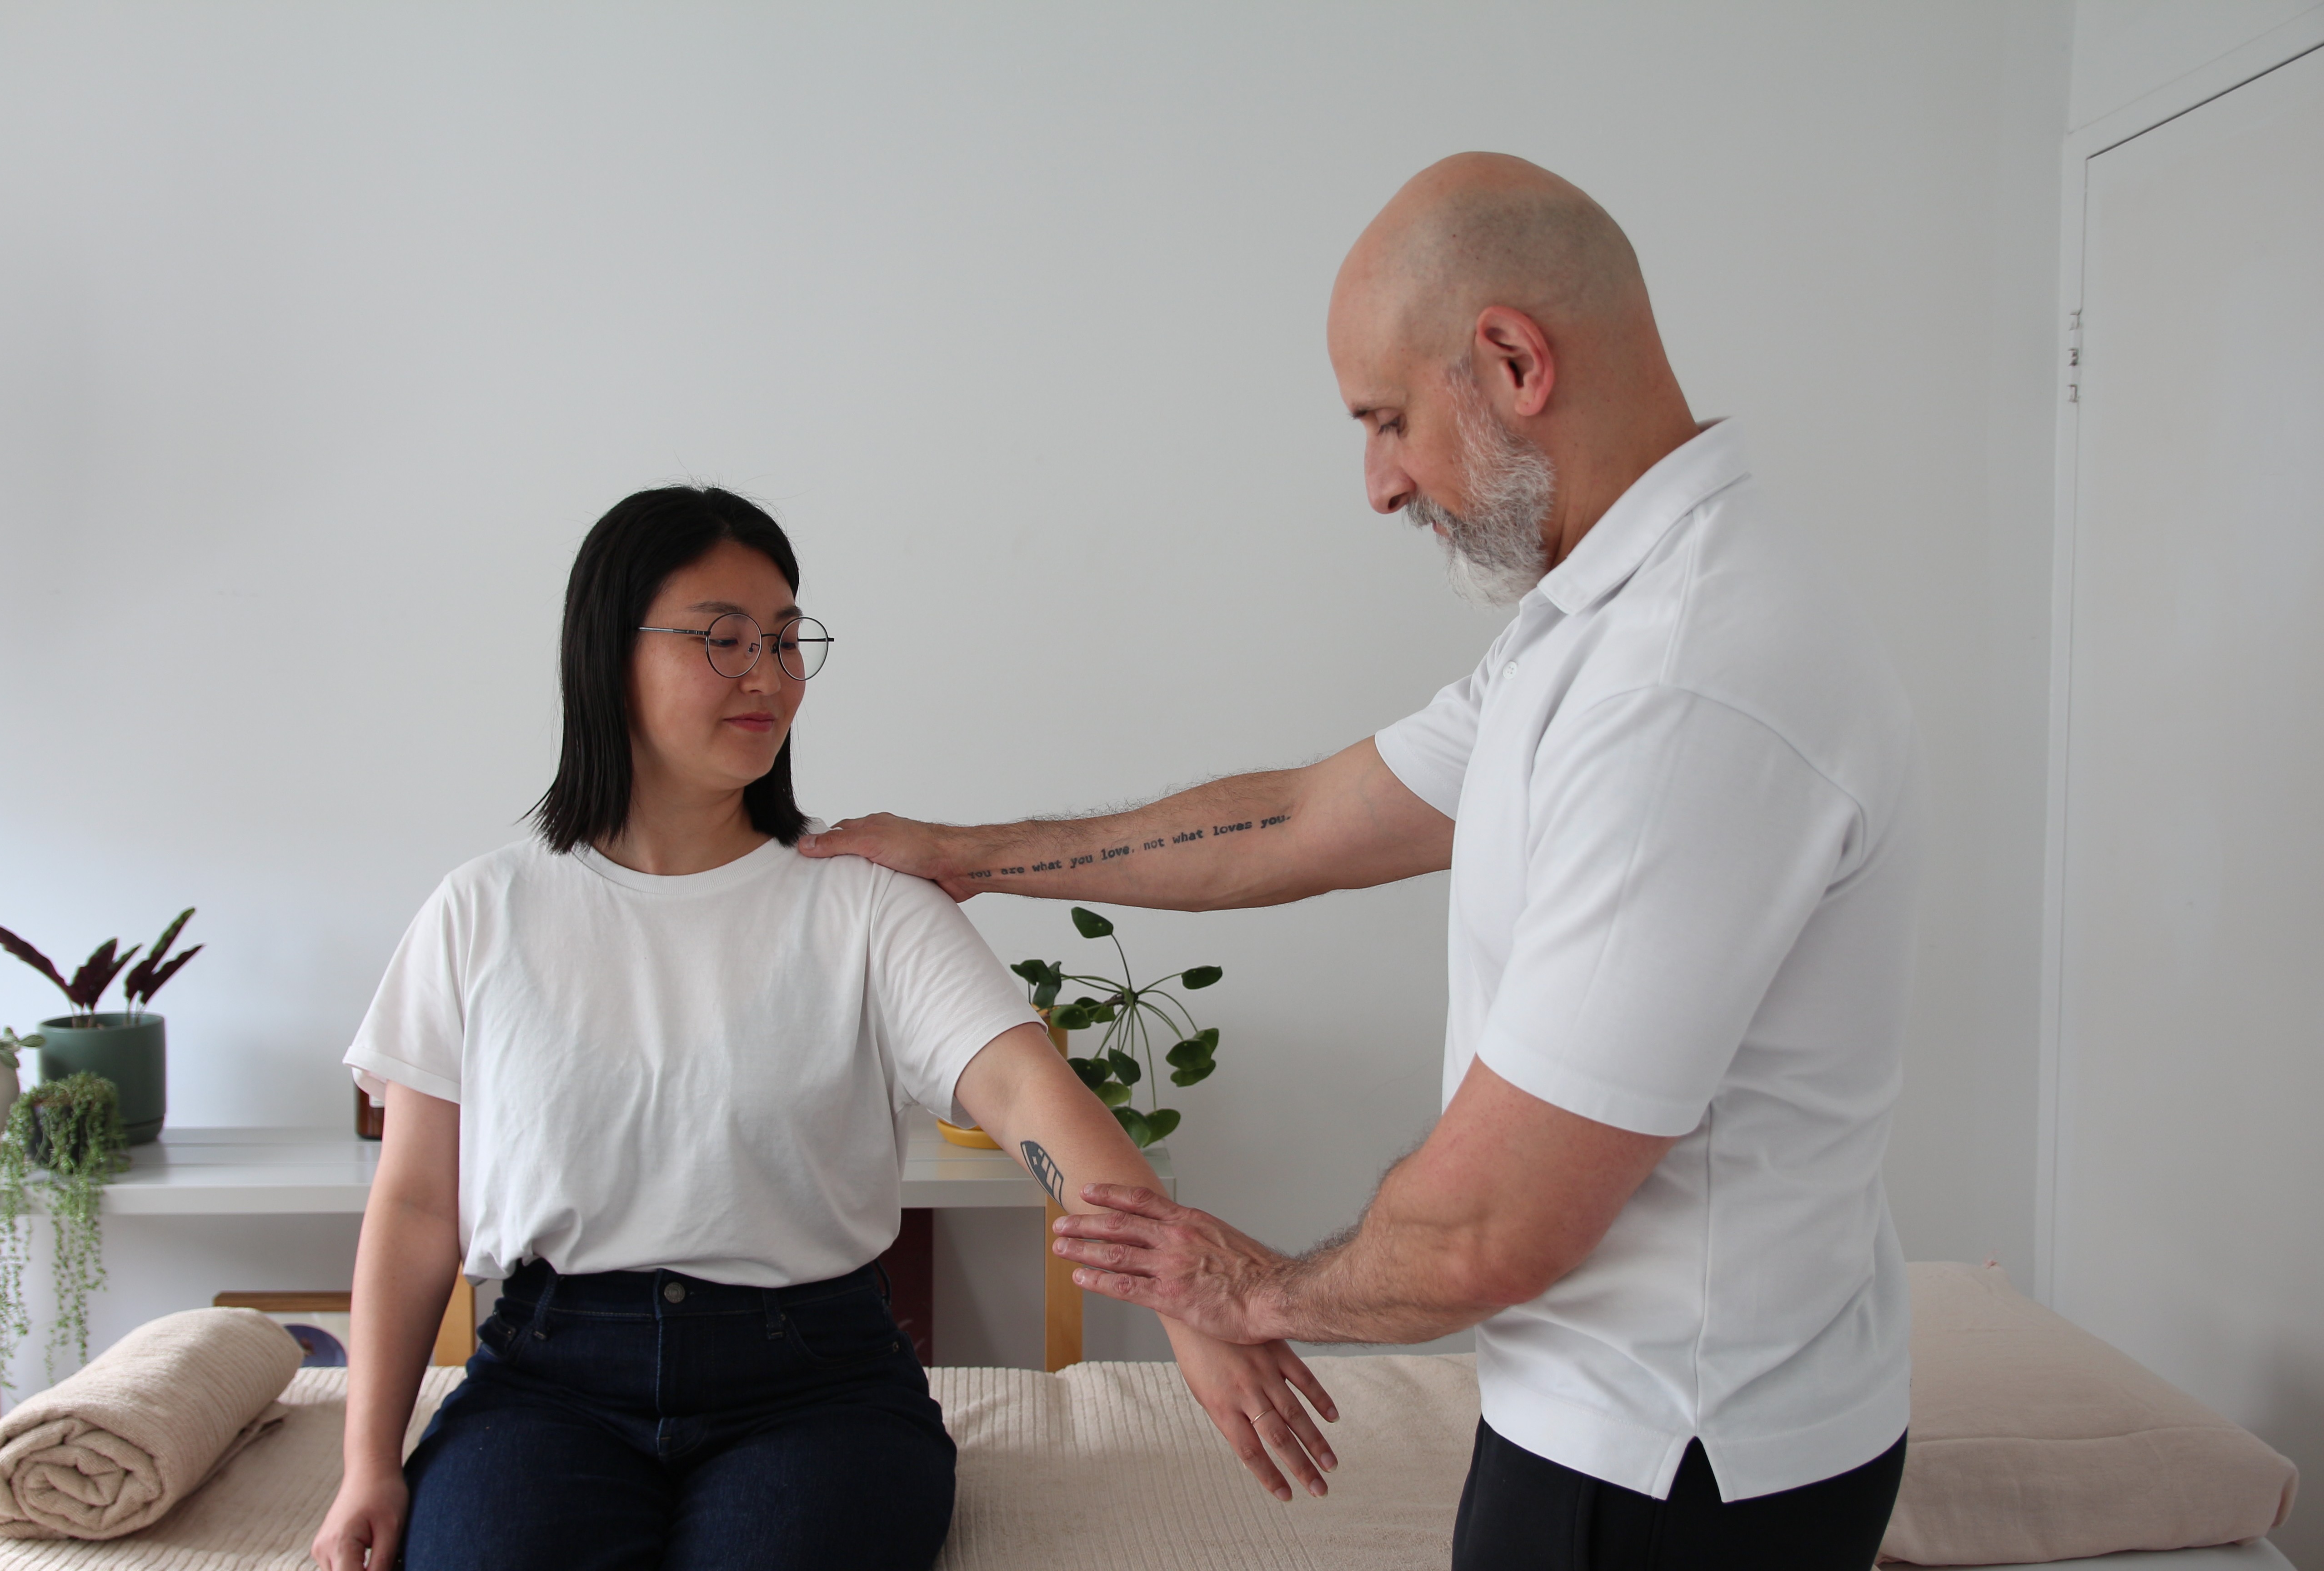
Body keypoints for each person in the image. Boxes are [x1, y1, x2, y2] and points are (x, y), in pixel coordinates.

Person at [801, 153, 1920, 1570]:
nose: (1380, 485)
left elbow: (1488, 1230)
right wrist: (971, 855)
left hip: (1670, 1461)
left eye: (1388, 421)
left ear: (1513, 362)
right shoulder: (1593, 623)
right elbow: (1308, 820)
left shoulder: (1687, 686)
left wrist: (1252, 1293)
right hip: (1651, 1412)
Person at [309, 487, 1339, 1571]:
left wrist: (1184, 1297)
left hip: (812, 1389)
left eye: (790, 641)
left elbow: (1034, 1099)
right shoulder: (484, 911)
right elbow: (419, 1205)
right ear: (609, 652)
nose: (770, 673)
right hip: (547, 1382)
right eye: (725, 639)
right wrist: (367, 1463)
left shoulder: (866, 903)